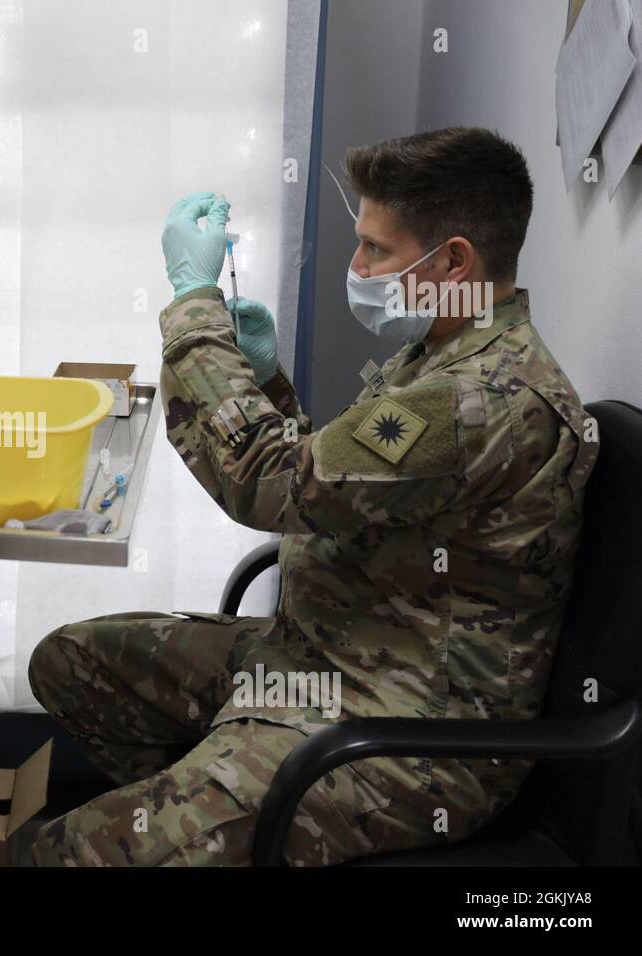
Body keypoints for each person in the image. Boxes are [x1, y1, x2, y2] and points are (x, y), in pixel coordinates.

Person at [29, 127, 598, 866]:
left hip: (400, 735)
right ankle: (220, 833)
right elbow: (341, 488)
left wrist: (196, 304)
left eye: (377, 250)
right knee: (70, 662)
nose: (356, 267)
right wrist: (265, 380)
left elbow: (265, 482)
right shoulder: (448, 350)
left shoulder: (478, 401)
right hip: (319, 656)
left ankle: (204, 829)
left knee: (65, 853)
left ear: (453, 259)